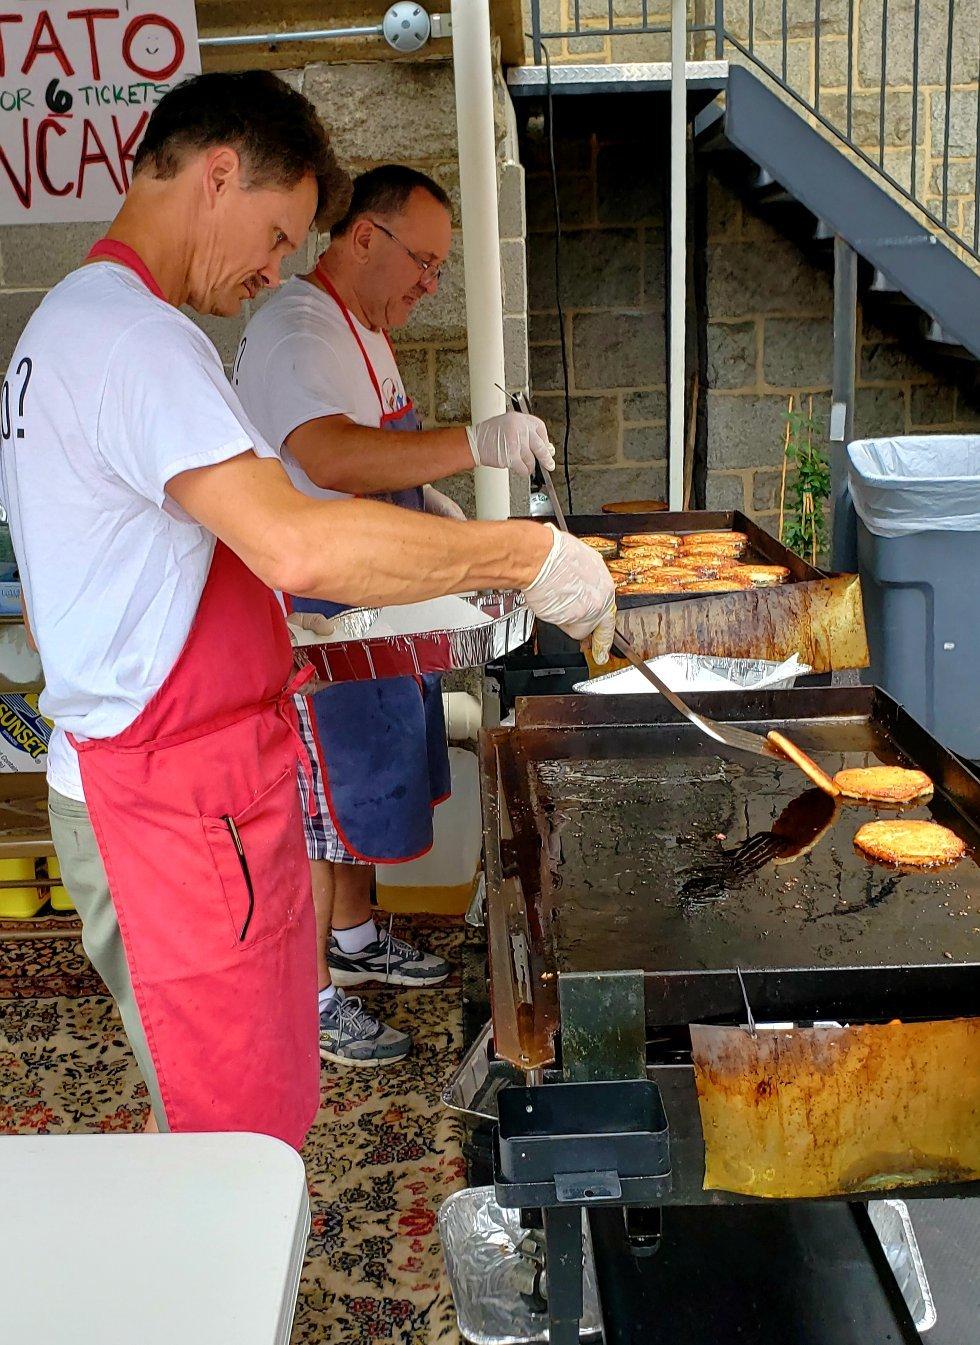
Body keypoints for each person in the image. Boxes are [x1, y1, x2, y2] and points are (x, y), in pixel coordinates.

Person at [0, 72, 616, 1148]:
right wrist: (523, 552)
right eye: (278, 234)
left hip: (180, 783)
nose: (274, 270)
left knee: (235, 1110)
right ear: (219, 173)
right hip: (170, 807)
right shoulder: (136, 338)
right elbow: (289, 532)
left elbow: (105, 596)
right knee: (236, 1138)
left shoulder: (72, 325)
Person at [234, 166, 557, 1067]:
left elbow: (377, 453)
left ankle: (357, 937)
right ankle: (311, 1002)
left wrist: (428, 508)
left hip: (367, 596)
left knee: (365, 791)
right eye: (423, 261)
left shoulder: (364, 326)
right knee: (316, 810)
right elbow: (329, 455)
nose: (428, 282)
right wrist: (475, 444)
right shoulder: (300, 329)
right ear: (365, 238)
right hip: (311, 613)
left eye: (440, 269)